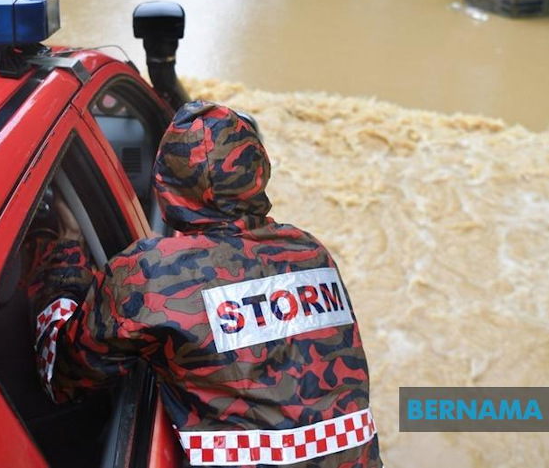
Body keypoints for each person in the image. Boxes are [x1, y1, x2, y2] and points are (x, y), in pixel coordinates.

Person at [29, 101, 381, 467]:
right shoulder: (311, 251)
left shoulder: (152, 273)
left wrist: (65, 249)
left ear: (166, 183)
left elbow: (61, 375)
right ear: (258, 172)